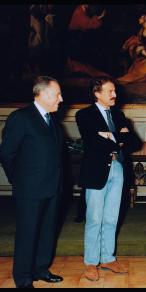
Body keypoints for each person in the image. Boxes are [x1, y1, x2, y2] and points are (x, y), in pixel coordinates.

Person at [0, 76, 64, 288]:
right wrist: (19, 181)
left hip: (52, 187)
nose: (61, 99)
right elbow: (7, 154)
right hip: (29, 189)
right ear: (44, 94)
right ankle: (24, 278)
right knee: (28, 234)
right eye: (57, 94)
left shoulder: (52, 119)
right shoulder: (21, 117)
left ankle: (41, 269)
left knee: (47, 232)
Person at [75, 76, 136, 281]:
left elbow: (133, 141)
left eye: (115, 91)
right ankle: (91, 263)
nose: (115, 95)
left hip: (118, 168)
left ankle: (108, 258)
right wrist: (119, 137)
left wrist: (110, 136)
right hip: (95, 172)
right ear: (97, 93)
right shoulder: (84, 115)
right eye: (110, 91)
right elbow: (93, 142)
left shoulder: (118, 114)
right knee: (94, 218)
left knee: (111, 217)